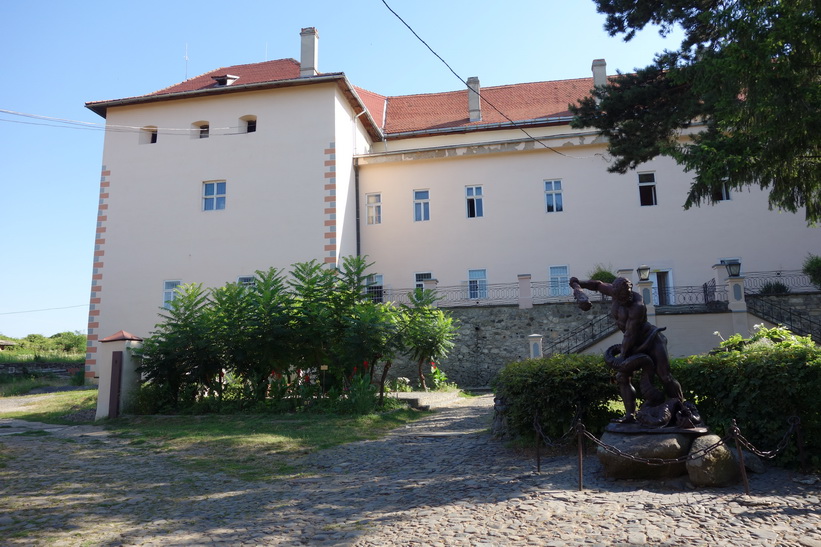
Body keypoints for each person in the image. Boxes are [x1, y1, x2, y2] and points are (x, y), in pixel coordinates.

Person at [570, 276, 684, 423]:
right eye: (620, 297)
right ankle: (630, 415)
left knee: (665, 376)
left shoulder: (638, 306)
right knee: (622, 377)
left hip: (652, 341)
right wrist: (578, 286)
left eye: (627, 295)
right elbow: (597, 284)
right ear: (614, 293)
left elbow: (630, 334)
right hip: (634, 343)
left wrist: (622, 357)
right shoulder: (613, 292)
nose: (625, 299)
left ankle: (681, 409)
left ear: (630, 291)